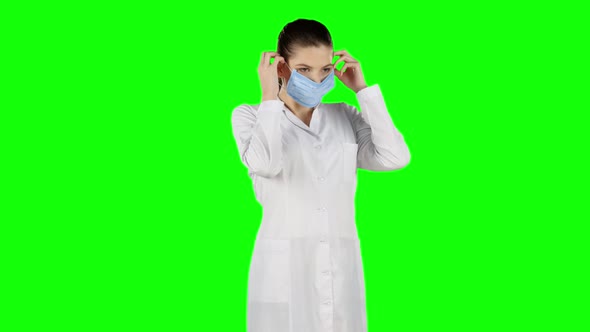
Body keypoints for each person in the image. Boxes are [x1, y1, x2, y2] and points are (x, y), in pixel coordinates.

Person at [231, 18, 411, 332]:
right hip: (284, 270)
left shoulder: (344, 116)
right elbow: (266, 164)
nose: (316, 79)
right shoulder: (252, 115)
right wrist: (269, 97)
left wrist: (363, 91)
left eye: (325, 69)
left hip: (340, 267)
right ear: (281, 67)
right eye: (304, 69)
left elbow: (394, 157)